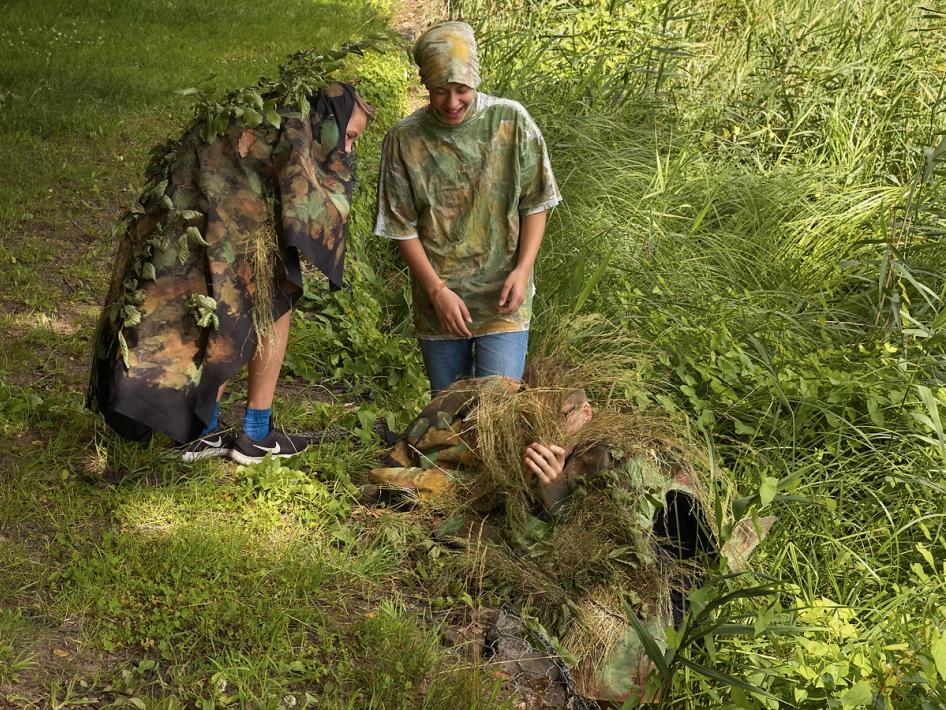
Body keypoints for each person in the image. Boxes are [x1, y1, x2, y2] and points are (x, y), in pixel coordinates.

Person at [367, 376, 771, 704]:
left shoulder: (618, 461)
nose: (545, 429)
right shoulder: (537, 438)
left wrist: (556, 497)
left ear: (587, 413)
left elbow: (599, 562)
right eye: (536, 418)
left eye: (558, 417)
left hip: (657, 582)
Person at [88, 81, 372, 464]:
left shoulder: (266, 122)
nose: (349, 149)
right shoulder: (293, 136)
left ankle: (204, 431)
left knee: (222, 304)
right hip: (211, 224)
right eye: (349, 136)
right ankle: (254, 433)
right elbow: (308, 210)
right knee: (270, 298)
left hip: (189, 218)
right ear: (328, 119)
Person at [374, 21, 560, 393]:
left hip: (504, 301)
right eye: (441, 91)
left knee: (497, 412)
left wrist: (523, 271)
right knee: (449, 415)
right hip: (439, 301)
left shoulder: (511, 121)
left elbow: (535, 202)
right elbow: (401, 225)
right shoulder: (404, 139)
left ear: (476, 79)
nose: (452, 103)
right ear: (426, 86)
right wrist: (437, 291)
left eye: (462, 90)